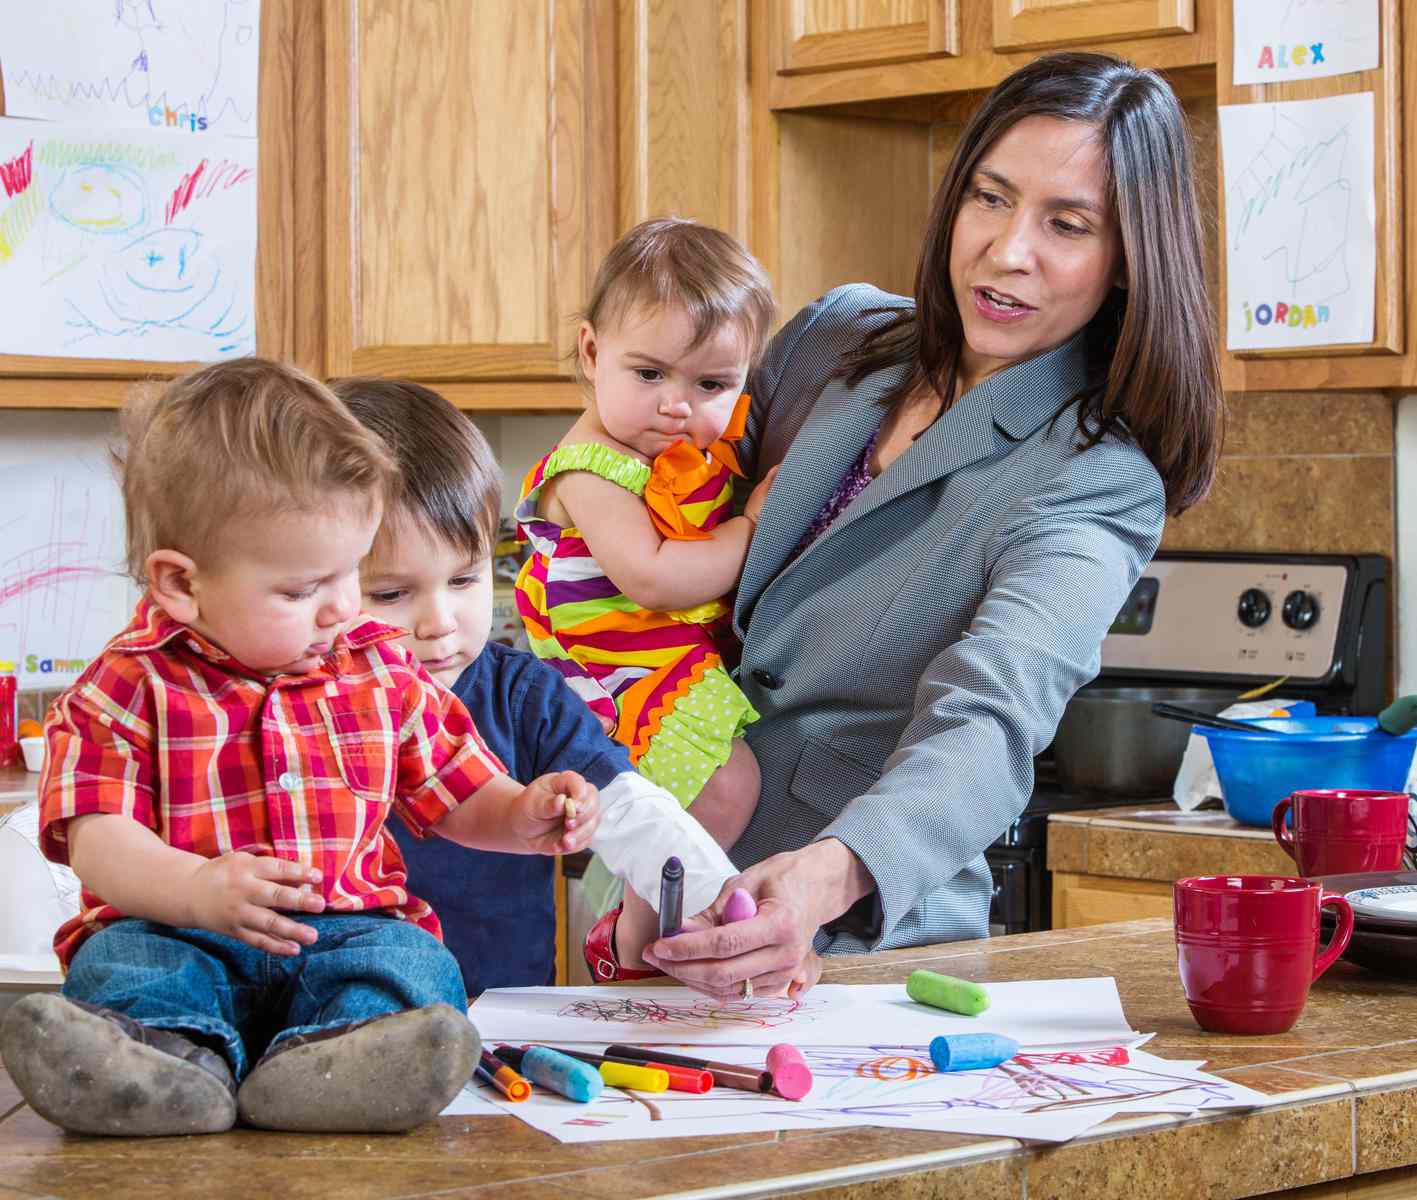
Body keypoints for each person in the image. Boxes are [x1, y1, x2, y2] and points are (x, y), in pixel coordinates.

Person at [641, 52, 1224, 1001]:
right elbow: (661, 474)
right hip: (653, 875)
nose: (1006, 251)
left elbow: (989, 717)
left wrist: (829, 873)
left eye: (1065, 224)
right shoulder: (836, 340)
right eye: (989, 199)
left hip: (846, 946)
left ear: (1126, 264)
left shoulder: (1097, 479)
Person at [0, 359, 601, 1139]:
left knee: (413, 965)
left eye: (351, 573)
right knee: (123, 966)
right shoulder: (127, 684)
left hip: (342, 932)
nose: (344, 607)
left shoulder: (378, 666)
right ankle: (169, 1067)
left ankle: (333, 1064)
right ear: (181, 584)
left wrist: (520, 814)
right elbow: (97, 842)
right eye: (301, 589)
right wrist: (195, 890)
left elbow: (457, 794)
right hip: (179, 929)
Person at [332, 377, 739, 992]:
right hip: (338, 1018)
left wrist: (723, 895)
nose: (439, 623)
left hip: (503, 1012)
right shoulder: (293, 705)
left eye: (465, 580)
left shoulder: (523, 697)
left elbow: (627, 807)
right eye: (391, 594)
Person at [514, 218, 778, 974]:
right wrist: (751, 526)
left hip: (660, 665)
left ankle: (648, 923)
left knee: (723, 789)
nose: (675, 404)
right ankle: (633, 933)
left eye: (710, 385)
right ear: (592, 353)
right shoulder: (591, 468)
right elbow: (655, 578)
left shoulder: (675, 454)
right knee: (727, 786)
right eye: (650, 373)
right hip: (614, 681)